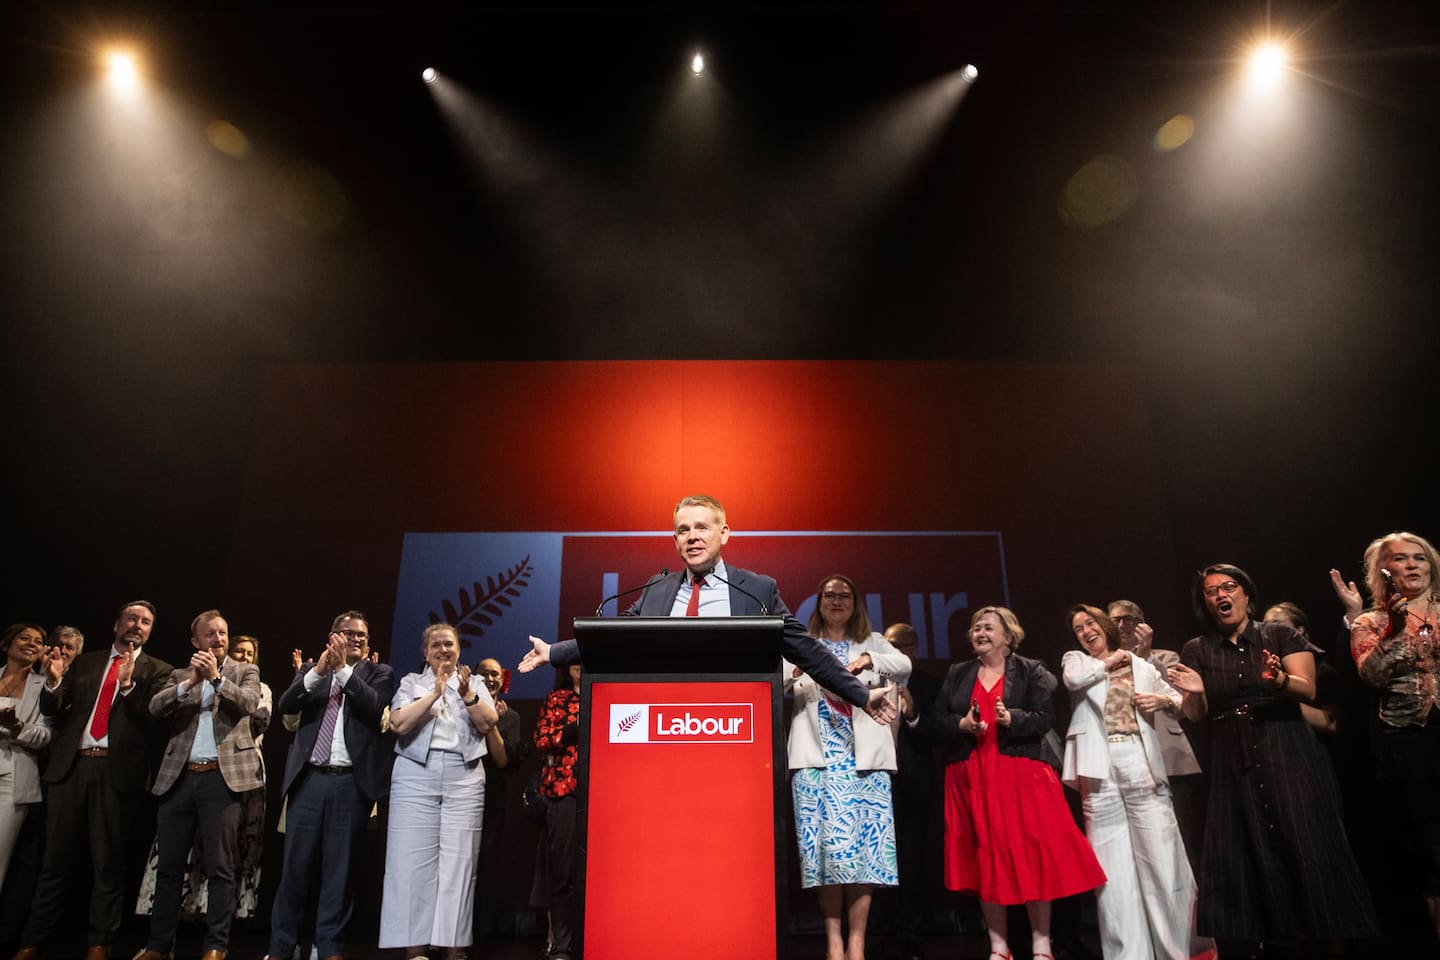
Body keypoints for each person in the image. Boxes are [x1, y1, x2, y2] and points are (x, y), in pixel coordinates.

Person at [518, 495, 896, 724]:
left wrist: (860, 695)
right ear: (675, 540)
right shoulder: (657, 589)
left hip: (734, 721)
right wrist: (553, 652)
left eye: (701, 527)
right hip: (664, 719)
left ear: (724, 533)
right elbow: (612, 638)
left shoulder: (756, 590)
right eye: (683, 530)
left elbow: (807, 650)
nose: (692, 537)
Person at [1168, 564, 1376, 954]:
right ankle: (1275, 943)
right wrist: (1195, 692)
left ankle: (1333, 940)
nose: (1221, 595)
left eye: (1229, 586)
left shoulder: (1279, 633)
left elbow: (1307, 688)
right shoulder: (1197, 649)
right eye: (1211, 591)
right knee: (1244, 845)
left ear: (1246, 593)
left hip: (1286, 745)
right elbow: (1196, 714)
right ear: (1204, 603)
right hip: (1232, 753)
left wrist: (1278, 680)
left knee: (1307, 840)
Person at [935, 606, 1104, 960]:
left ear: (1008, 637)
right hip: (974, 775)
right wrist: (963, 724)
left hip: (1021, 774)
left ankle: (1042, 945)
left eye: (988, 628)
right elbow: (938, 719)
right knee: (984, 857)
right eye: (976, 628)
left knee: (1032, 856)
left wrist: (1012, 718)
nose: (980, 633)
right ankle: (999, 948)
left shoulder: (1030, 670)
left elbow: (1044, 718)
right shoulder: (958, 673)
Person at [12, 601, 173, 960]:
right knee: (53, 862)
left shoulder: (159, 671)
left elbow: (154, 721)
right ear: (117, 625)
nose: (137, 625)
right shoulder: (85, 662)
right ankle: (31, 941)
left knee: (108, 864)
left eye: (145, 622)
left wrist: (128, 687)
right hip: (71, 769)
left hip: (116, 775)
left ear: (150, 631)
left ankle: (99, 944)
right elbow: (55, 709)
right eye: (132, 618)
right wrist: (54, 681)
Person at [1061, 605, 1208, 960]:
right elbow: (1074, 680)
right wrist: (1116, 659)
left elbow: (1182, 705)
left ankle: (1179, 952)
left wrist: (1163, 699)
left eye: (1091, 623)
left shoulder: (1143, 667)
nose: (1086, 631)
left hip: (1138, 758)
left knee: (1163, 863)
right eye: (1079, 628)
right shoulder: (1077, 661)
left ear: (1105, 625)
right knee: (1112, 875)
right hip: (1098, 767)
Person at [785, 576, 909, 960]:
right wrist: (796, 671)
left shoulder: (872, 641)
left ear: (855, 603)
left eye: (844, 595)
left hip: (864, 763)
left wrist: (872, 659)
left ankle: (857, 943)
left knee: (865, 855)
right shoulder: (803, 643)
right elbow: (777, 682)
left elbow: (904, 665)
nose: (836, 601)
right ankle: (833, 942)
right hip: (816, 763)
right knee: (825, 855)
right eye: (829, 595)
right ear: (818, 602)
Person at [264, 611, 396, 960]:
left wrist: (342, 672)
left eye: (362, 635)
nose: (357, 639)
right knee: (294, 870)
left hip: (350, 783)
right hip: (308, 780)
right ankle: (282, 947)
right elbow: (286, 705)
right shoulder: (313, 670)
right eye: (349, 633)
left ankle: (329, 948)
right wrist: (319, 672)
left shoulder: (379, 673)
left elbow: (375, 705)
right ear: (333, 636)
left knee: (338, 872)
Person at [134, 611, 263, 960]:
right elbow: (155, 706)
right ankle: (160, 946)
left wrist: (217, 679)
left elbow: (250, 703)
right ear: (196, 642)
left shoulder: (244, 671)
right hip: (179, 778)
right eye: (210, 634)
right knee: (169, 867)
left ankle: (216, 946)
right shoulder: (180, 675)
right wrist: (192, 681)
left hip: (221, 779)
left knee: (221, 866)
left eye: (223, 632)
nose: (218, 639)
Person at [380, 623, 498, 960]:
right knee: (410, 861)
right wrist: (434, 692)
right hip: (415, 774)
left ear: (459, 649)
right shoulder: (411, 682)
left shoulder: (473, 682)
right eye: (436, 645)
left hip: (464, 775)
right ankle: (415, 949)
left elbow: (488, 722)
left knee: (459, 863)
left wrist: (466, 693)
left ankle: (454, 949)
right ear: (425, 652)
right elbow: (398, 724)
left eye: (449, 644)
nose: (443, 650)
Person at [1348, 531, 1440, 940]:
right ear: (1383, 572)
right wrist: (1394, 631)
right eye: (1401, 558)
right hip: (1408, 742)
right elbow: (1371, 675)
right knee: (1428, 846)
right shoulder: (1370, 622)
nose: (1413, 564)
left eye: (1419, 557)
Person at [882, 622, 941, 960]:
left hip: (914, 783)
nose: (895, 652)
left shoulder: (929, 685)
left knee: (912, 861)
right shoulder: (870, 681)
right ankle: (877, 934)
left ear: (914, 649)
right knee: (877, 860)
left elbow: (940, 731)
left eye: (902, 646)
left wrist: (915, 714)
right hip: (874, 782)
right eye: (890, 646)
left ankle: (912, 935)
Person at [473, 657, 528, 938]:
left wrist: (491, 723)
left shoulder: (510, 717)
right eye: (484, 674)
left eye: (495, 674)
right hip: (459, 791)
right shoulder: (462, 709)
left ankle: (482, 930)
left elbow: (503, 761)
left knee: (486, 862)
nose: (490, 679)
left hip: (493, 797)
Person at [530, 664, 581, 960]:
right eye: (575, 662)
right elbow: (542, 739)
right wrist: (572, 729)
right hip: (564, 793)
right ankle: (562, 945)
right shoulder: (557, 699)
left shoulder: (608, 693)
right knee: (563, 872)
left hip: (605, 794)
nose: (581, 666)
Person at [0, 624, 52, 888]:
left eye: (38, 641)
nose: (32, 643)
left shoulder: (45, 687)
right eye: (24, 637)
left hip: (12, 781)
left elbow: (45, 736)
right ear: (7, 644)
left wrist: (16, 726)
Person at [1262, 602, 1341, 737]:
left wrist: (1288, 707)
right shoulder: (1266, 667)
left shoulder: (1323, 672)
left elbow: (1334, 724)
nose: (1270, 632)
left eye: (1277, 625)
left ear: (1299, 630)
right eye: (1265, 626)